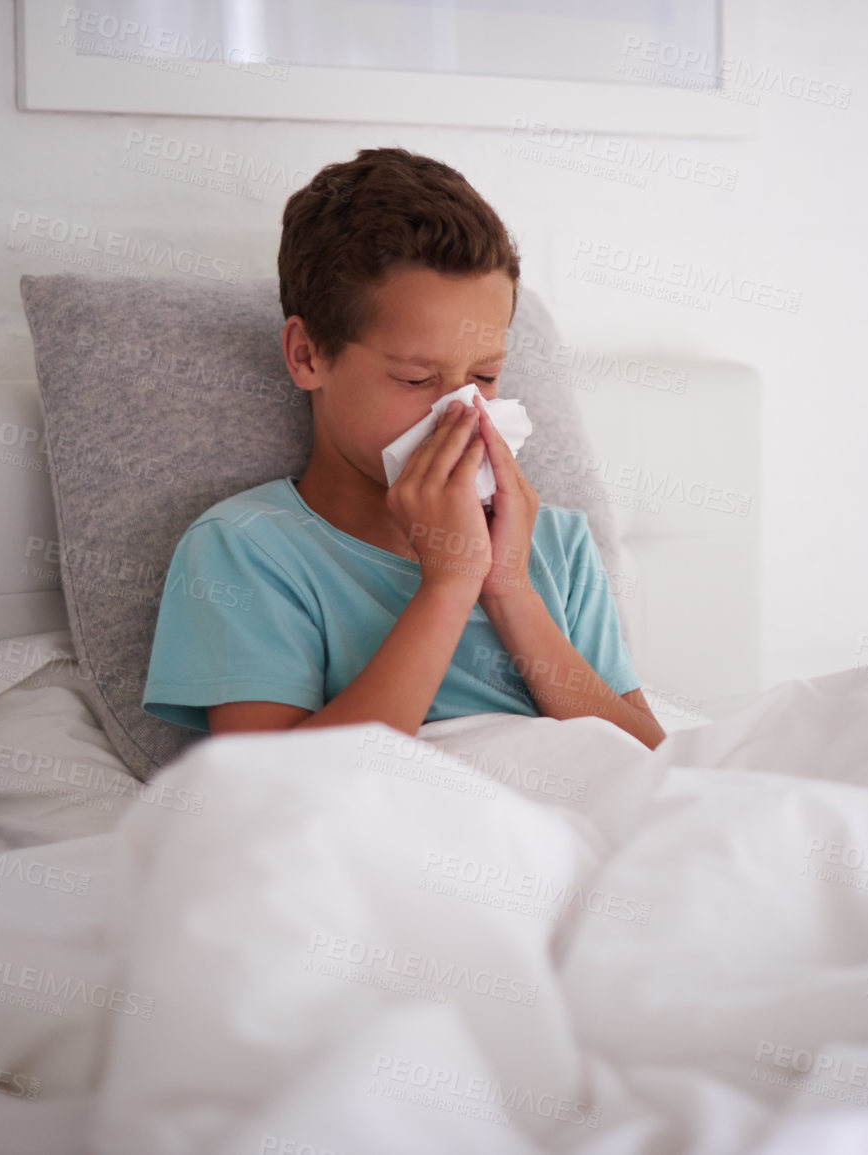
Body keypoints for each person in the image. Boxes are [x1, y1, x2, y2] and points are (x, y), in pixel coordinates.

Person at [141, 146, 665, 750]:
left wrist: (509, 590)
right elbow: (270, 790)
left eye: (487, 375)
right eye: (418, 379)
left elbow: (649, 763)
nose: (463, 411)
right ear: (307, 355)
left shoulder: (555, 545)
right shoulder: (248, 551)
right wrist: (449, 586)